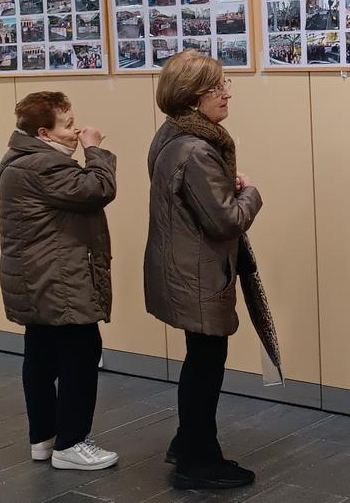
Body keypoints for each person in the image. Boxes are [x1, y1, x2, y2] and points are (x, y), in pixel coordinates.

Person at [145, 51, 262, 490]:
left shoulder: (173, 136)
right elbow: (226, 220)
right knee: (206, 364)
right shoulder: (196, 149)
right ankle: (199, 459)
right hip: (197, 271)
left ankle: (187, 442)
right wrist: (250, 192)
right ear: (193, 98)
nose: (226, 93)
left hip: (181, 265)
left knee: (201, 360)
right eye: (217, 87)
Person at [0, 92, 117, 471]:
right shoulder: (44, 166)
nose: (76, 131)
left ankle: (43, 438)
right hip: (59, 279)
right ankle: (71, 443)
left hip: (36, 278)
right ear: (44, 132)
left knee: (41, 355)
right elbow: (98, 189)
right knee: (81, 352)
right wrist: (95, 149)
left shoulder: (18, 158)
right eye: (67, 126)